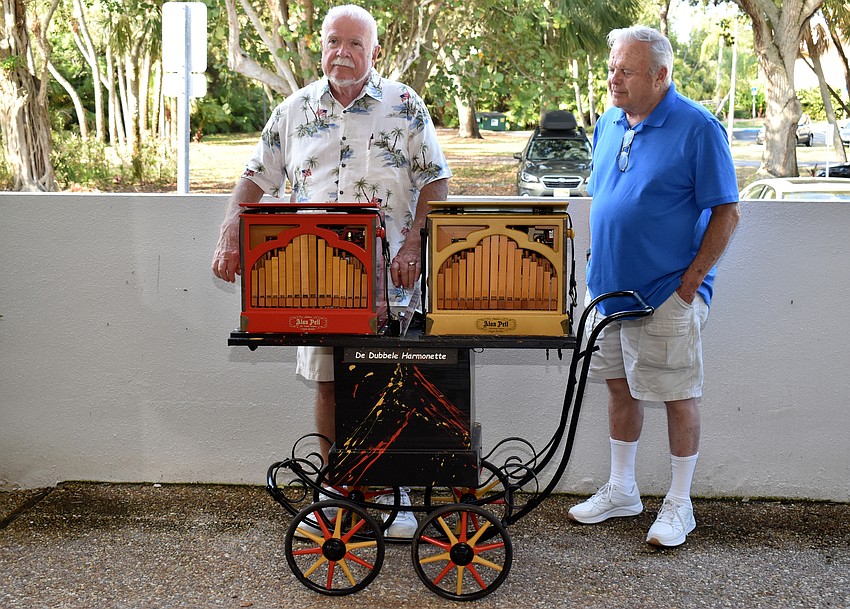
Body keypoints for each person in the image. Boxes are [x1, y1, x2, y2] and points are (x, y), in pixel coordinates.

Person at [212, 4, 451, 537]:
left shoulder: (405, 105)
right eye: (333, 42)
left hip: (388, 281)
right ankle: (337, 487)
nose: (342, 53)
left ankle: (391, 490)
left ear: (375, 51)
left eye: (355, 44)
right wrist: (230, 233)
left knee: (389, 384)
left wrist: (414, 245)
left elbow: (436, 181)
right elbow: (254, 178)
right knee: (328, 383)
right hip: (313, 282)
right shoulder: (294, 109)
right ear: (321, 46)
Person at [567, 25, 740, 547]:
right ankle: (623, 490)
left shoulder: (698, 128)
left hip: (665, 292)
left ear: (660, 75)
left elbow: (727, 213)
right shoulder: (608, 123)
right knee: (619, 389)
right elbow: (609, 199)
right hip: (607, 292)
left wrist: (690, 284)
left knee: (676, 394)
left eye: (626, 70)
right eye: (612, 69)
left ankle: (680, 504)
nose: (613, 79)